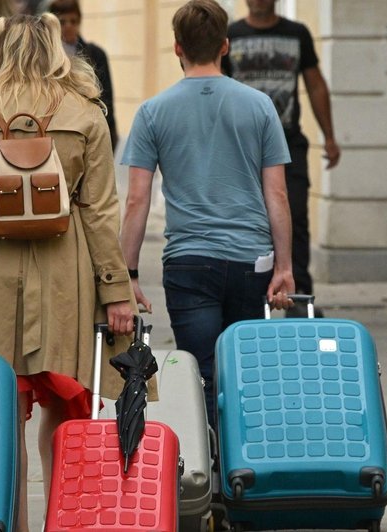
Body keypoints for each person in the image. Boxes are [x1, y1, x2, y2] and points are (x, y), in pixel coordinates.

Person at [0, 14, 136, 531]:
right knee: (65, 403)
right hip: (67, 271)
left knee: (3, 412)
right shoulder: (85, 114)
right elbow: (102, 211)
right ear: (58, 50)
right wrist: (117, 293)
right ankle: (63, 520)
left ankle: (8, 523)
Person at [120, 0, 295, 420]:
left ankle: (210, 466)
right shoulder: (260, 106)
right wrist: (284, 266)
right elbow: (278, 195)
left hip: (188, 262)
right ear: (226, 45)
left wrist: (126, 275)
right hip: (250, 261)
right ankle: (243, 466)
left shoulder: (152, 112)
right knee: (242, 368)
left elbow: (137, 200)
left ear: (177, 48)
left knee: (200, 371)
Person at [223, 0, 340, 316]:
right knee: (246, 218)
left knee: (296, 217)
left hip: (289, 144)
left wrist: (328, 136)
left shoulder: (297, 33)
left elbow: (315, 85)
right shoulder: (230, 35)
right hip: (243, 148)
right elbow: (218, 89)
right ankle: (248, 292)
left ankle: (298, 295)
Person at [47, 0, 118, 150]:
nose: (68, 26)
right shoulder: (46, 57)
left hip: (90, 129)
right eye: (63, 21)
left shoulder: (95, 54)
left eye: (73, 21)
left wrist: (106, 133)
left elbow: (107, 98)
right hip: (55, 131)